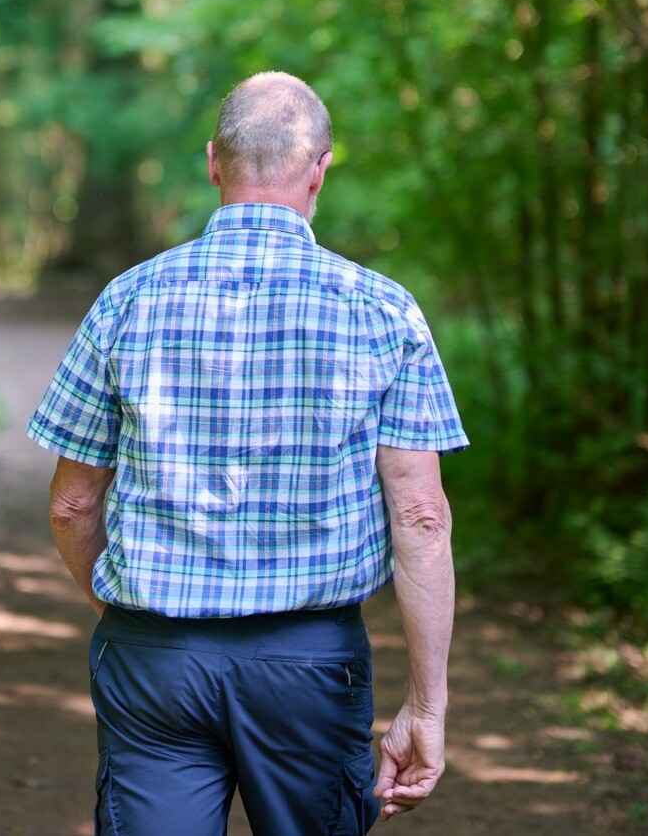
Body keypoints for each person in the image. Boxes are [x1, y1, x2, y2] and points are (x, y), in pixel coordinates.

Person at [28, 71, 469, 836]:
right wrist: (427, 705)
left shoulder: (128, 298)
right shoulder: (382, 310)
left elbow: (71, 502)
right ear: (320, 169)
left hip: (155, 656)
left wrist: (129, 611)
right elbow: (422, 516)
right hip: (310, 664)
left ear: (212, 163)